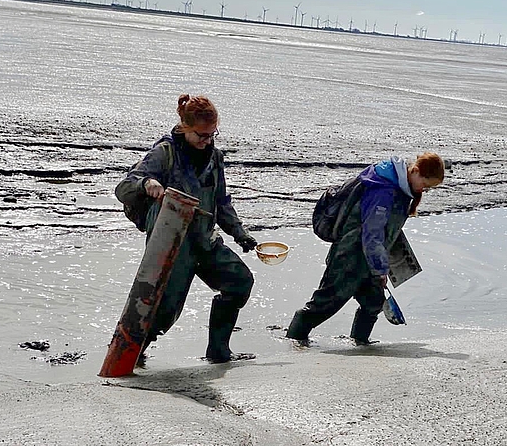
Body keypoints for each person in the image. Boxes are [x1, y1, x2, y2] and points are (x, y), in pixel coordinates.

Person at [115, 94, 258, 364]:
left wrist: (241, 234)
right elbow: (124, 187)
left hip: (205, 239)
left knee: (239, 281)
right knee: (164, 309)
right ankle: (131, 354)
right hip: (172, 244)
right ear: (184, 127)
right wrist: (146, 183)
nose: (207, 141)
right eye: (201, 135)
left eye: (212, 135)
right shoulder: (164, 153)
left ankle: (219, 351)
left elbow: (221, 202)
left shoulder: (215, 157)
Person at [286, 152, 445, 345]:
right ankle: (293, 340)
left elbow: (386, 230)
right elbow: (373, 233)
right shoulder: (383, 190)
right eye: (426, 185)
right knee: (326, 302)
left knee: (374, 302)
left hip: (369, 256)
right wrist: (380, 269)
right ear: (416, 171)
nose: (424, 190)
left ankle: (360, 343)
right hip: (351, 253)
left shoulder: (397, 185)